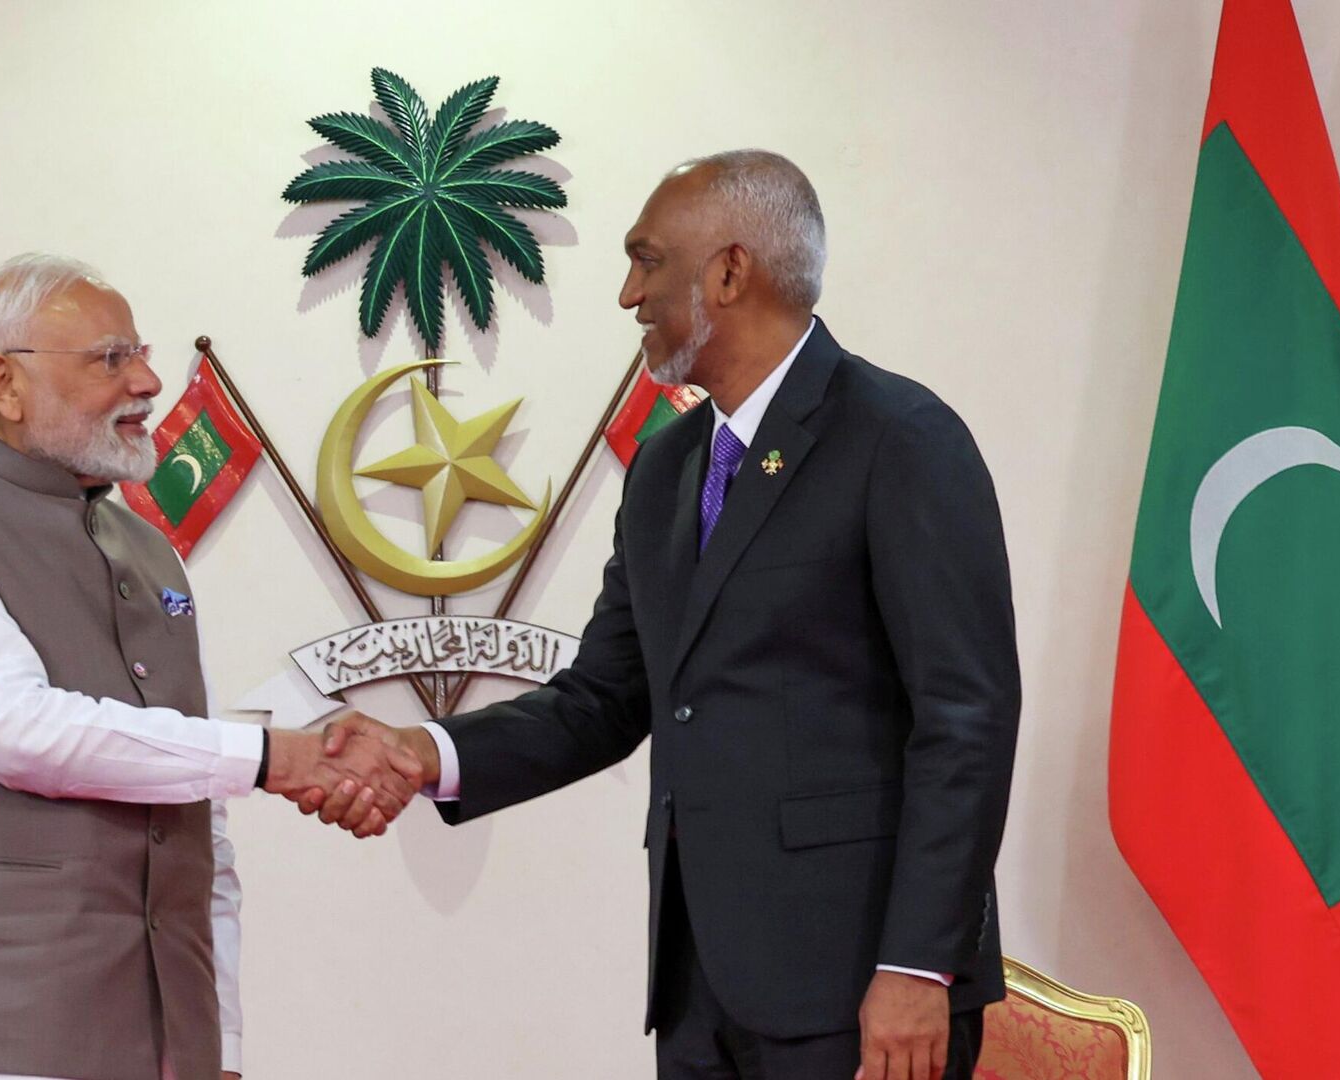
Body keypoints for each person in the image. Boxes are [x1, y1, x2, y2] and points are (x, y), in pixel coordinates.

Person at [321, 151, 1021, 1079]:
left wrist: (918, 965)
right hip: (699, 990)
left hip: (859, 989)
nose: (628, 294)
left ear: (730, 272)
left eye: (647, 261)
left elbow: (967, 717)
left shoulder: (898, 436)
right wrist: (426, 753)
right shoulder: (665, 469)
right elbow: (604, 699)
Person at [0, 254, 421, 1080]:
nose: (147, 383)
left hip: (161, 1039)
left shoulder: (145, 547)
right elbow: (12, 730)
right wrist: (274, 756)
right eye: (111, 358)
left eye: (140, 354)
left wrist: (220, 1041)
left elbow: (200, 817)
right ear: (3, 382)